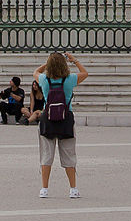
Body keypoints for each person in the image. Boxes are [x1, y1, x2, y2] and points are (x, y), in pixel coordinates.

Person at [31, 52, 89, 198]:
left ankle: (44, 188)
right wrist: (74, 60)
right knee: (69, 154)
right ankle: (73, 188)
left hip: (48, 118)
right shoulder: (69, 80)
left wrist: (47, 63)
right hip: (65, 118)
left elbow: (35, 72)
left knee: (46, 155)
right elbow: (85, 73)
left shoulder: (44, 79)